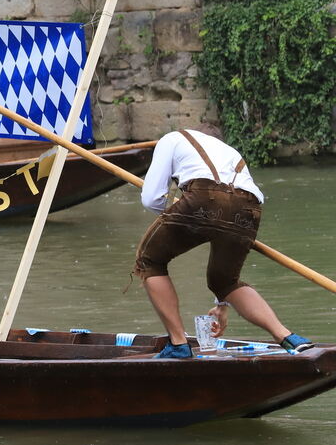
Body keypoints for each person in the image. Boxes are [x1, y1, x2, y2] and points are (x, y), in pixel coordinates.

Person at [134, 128, 313, 358]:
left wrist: (179, 216)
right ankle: (288, 338)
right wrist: (222, 303)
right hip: (249, 207)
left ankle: (178, 344)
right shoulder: (228, 151)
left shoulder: (171, 139)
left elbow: (151, 199)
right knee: (225, 281)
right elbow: (230, 201)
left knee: (149, 261)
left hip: (204, 198)